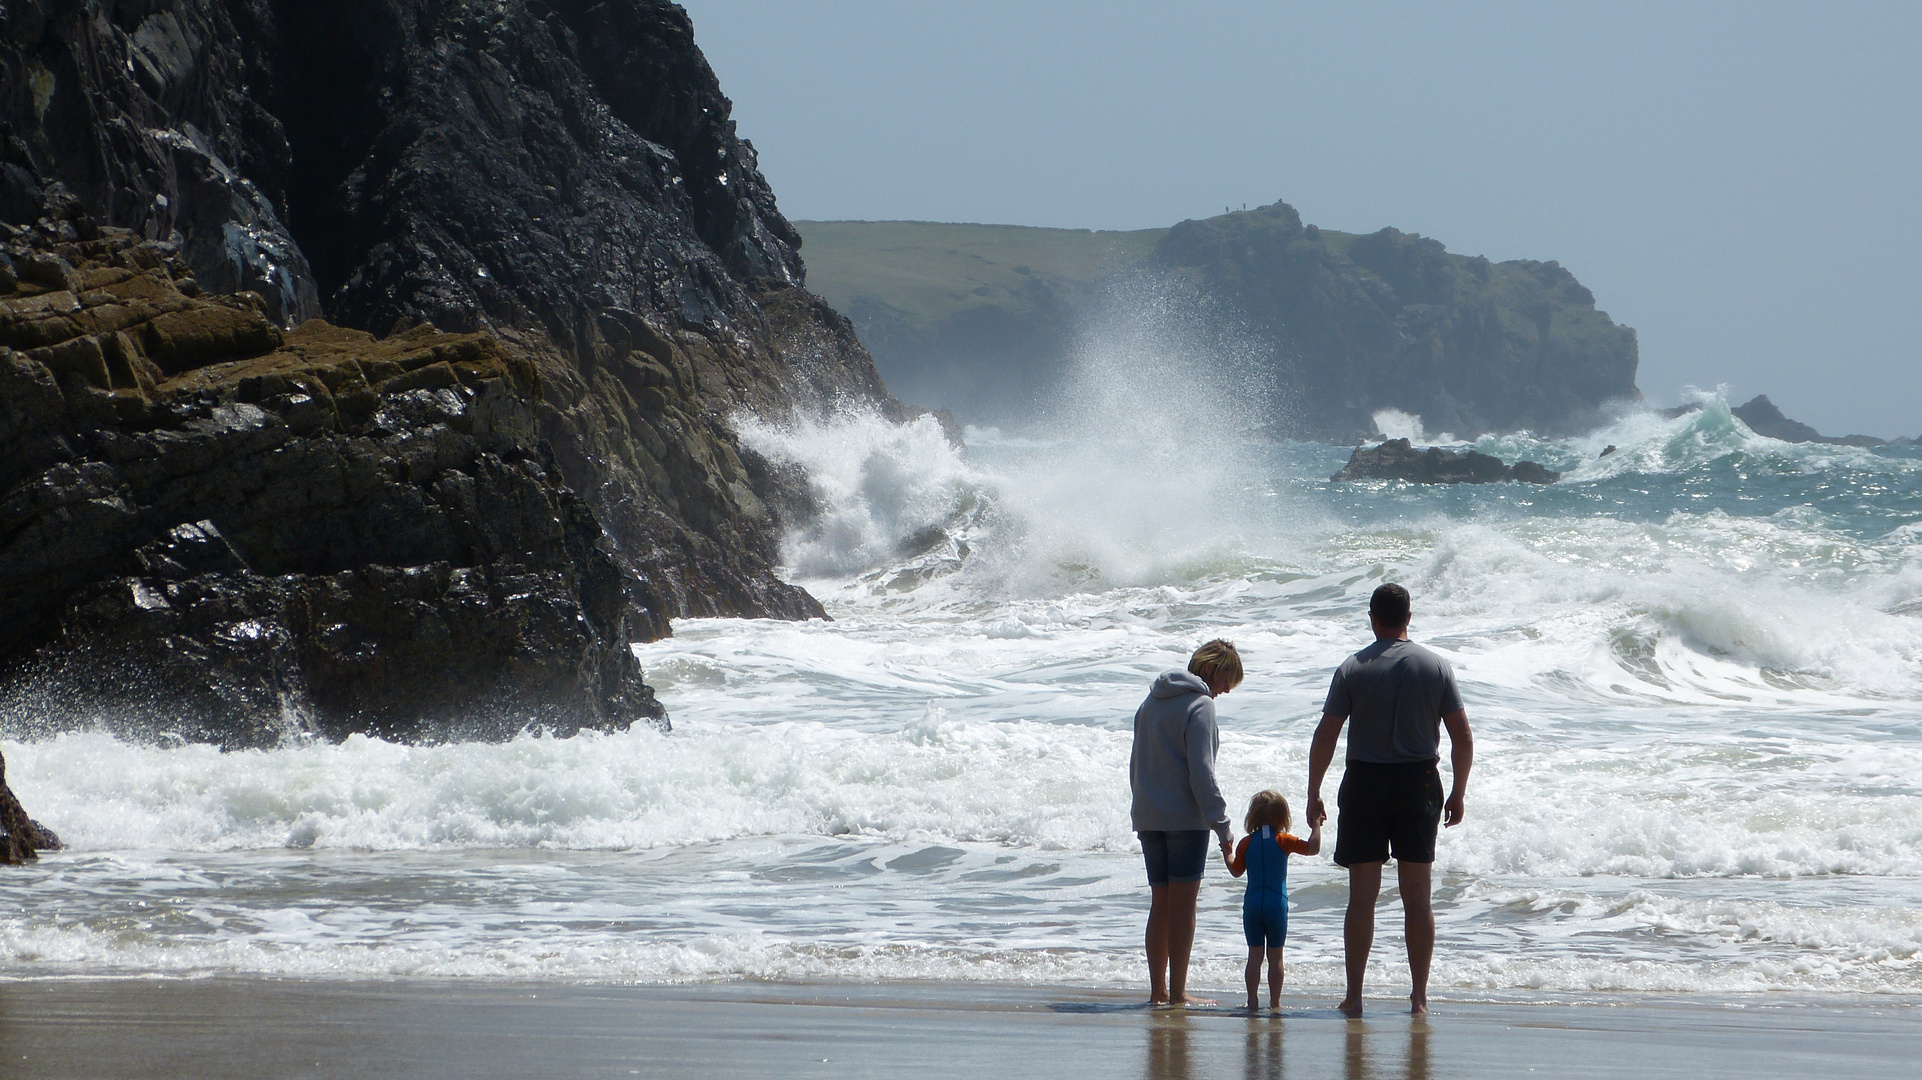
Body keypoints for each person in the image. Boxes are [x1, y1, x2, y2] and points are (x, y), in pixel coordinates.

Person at [1305, 584, 1473, 1017]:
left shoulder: (1353, 667)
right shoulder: (1435, 666)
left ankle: (1355, 996)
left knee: (1362, 896)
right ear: (1409, 617)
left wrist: (1313, 792)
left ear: (1372, 618)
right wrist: (1458, 791)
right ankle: (1418, 998)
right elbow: (1462, 736)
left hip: (1365, 784)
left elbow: (1326, 735)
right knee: (1418, 897)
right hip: (1418, 783)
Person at [1130, 638, 1242, 1006]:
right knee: (1183, 907)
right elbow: (1202, 774)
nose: (1225, 690)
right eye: (1227, 680)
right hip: (1185, 819)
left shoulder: (1150, 702)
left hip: (1149, 815)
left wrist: (1142, 807)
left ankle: (1157, 991)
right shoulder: (1201, 705)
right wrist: (1223, 825)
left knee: (1159, 904)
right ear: (1214, 671)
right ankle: (1178, 993)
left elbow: (1137, 764)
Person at [1226, 789, 1321, 1013]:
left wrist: (1227, 853)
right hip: (1276, 904)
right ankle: (1275, 1003)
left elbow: (1236, 870)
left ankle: (1252, 1001)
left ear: (1253, 817)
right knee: (1276, 957)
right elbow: (1314, 848)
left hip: (1252, 904)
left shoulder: (1245, 843)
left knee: (1254, 956)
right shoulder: (1283, 840)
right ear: (1282, 817)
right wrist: (1316, 823)